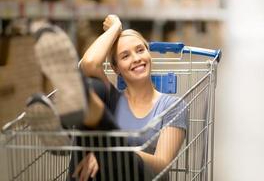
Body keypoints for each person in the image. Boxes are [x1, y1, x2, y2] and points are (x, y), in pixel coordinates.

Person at [25, 15, 187, 181]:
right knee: (95, 87)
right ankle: (64, 127)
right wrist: (115, 26)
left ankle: (68, 106)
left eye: (140, 50)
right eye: (125, 56)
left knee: (93, 106)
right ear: (116, 68)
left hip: (141, 176)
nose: (137, 58)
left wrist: (107, 153)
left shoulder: (172, 106)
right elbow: (89, 64)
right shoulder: (112, 99)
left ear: (148, 54)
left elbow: (162, 165)